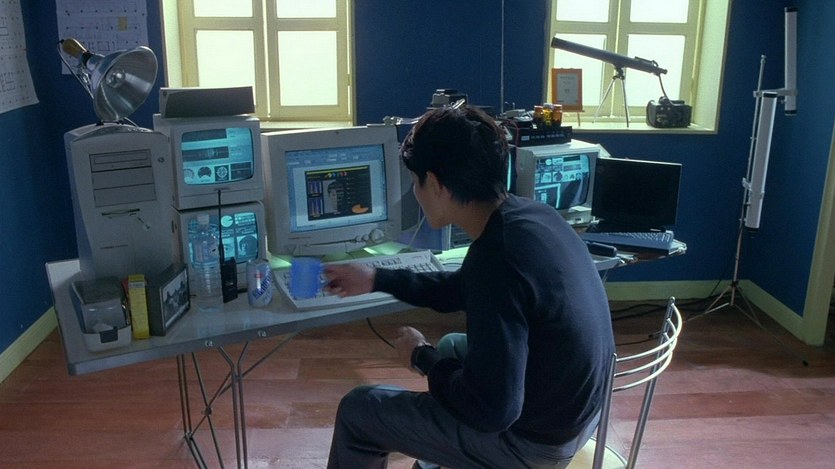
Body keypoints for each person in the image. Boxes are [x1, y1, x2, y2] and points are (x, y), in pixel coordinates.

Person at [324, 106, 615, 469]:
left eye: (415, 182)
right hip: (578, 413)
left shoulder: (496, 258)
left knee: (359, 410)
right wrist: (376, 278)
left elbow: (493, 411)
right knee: (451, 346)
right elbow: (460, 289)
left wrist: (422, 357)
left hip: (535, 443)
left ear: (435, 184)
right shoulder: (531, 215)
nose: (415, 192)